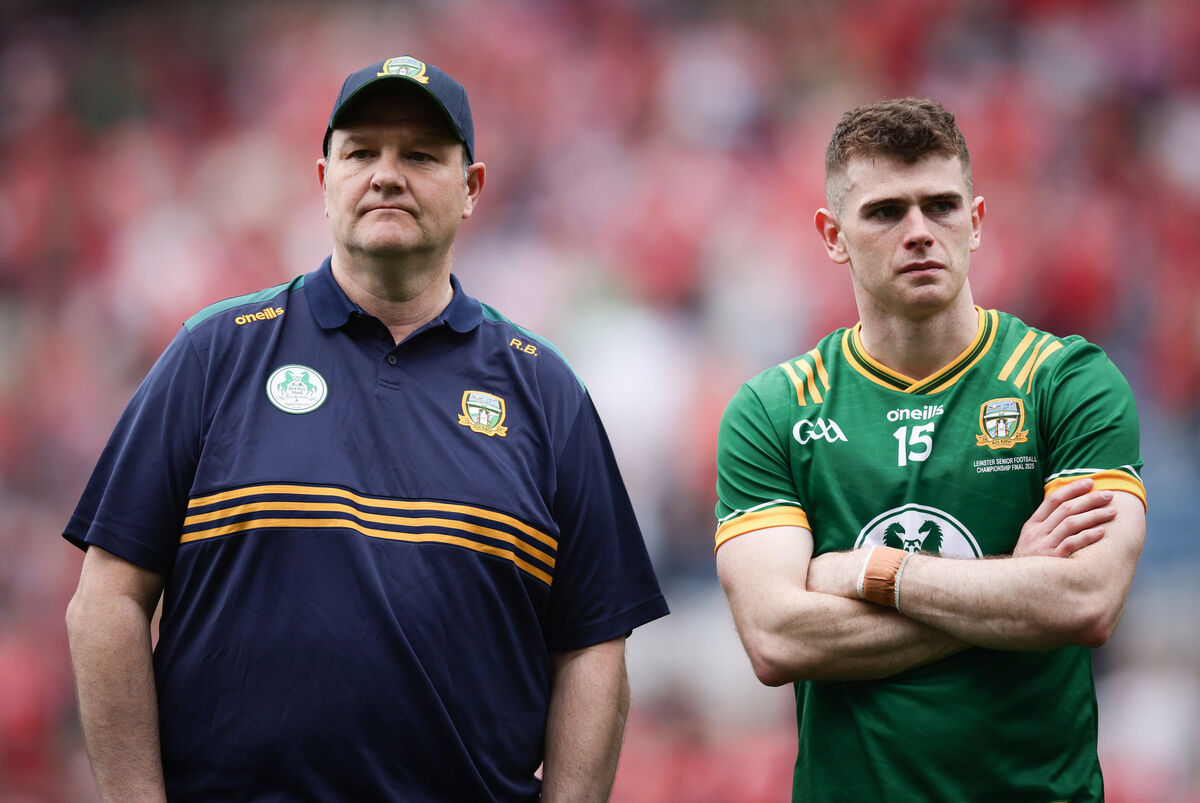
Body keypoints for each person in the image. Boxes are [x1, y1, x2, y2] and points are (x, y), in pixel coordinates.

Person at [64, 55, 668, 802]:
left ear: (472, 188)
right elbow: (106, 601)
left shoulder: (547, 391)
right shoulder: (214, 353)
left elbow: (594, 646)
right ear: (324, 181)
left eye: (419, 155)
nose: (387, 174)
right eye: (361, 153)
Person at [714, 97, 1146, 801]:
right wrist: (1012, 588)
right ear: (833, 235)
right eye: (886, 212)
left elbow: (1087, 601)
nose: (919, 231)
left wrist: (870, 571)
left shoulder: (1065, 381)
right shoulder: (775, 409)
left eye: (941, 206)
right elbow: (777, 639)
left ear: (975, 223)